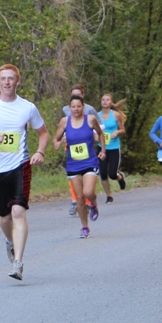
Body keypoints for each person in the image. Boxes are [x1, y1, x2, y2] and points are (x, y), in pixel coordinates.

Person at [0, 64, 49, 281]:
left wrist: (40, 152)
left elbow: (43, 133)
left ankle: (18, 262)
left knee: (18, 212)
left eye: (11, 78)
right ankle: (9, 241)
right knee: (4, 218)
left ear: (18, 81)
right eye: (3, 78)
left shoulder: (28, 108)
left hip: (20, 166)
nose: (7, 82)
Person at [53, 96, 106, 238]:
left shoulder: (90, 119)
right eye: (73, 106)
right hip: (73, 164)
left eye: (78, 106)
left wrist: (103, 150)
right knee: (80, 197)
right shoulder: (65, 121)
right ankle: (85, 227)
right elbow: (56, 138)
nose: (76, 109)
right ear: (69, 108)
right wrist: (57, 143)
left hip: (90, 162)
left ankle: (93, 203)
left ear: (83, 107)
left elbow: (100, 134)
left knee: (88, 193)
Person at [60, 85, 99, 215]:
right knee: (74, 175)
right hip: (72, 147)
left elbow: (100, 126)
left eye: (79, 94)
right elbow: (63, 127)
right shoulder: (65, 109)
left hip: (86, 147)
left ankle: (88, 202)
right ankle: (75, 200)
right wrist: (63, 138)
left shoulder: (90, 110)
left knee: (86, 178)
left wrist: (94, 134)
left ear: (83, 95)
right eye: (73, 95)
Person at [97, 93, 127, 203]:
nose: (105, 101)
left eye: (107, 100)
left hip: (114, 147)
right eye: (103, 99)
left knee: (113, 174)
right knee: (103, 173)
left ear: (111, 102)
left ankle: (120, 177)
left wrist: (117, 132)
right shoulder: (96, 115)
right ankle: (109, 196)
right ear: (101, 102)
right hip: (101, 147)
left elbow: (123, 130)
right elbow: (94, 130)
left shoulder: (116, 115)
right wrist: (95, 136)